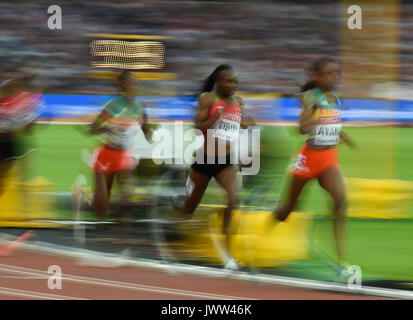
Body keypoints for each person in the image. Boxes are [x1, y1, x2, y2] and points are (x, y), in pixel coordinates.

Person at [271, 57, 358, 276]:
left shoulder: (335, 97)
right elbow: (301, 128)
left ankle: (340, 263)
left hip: (329, 158)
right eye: (329, 73)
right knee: (286, 211)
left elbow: (333, 123)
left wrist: (345, 137)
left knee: (341, 202)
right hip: (309, 159)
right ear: (317, 76)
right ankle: (265, 227)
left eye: (336, 73)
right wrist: (314, 117)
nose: (334, 77)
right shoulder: (312, 97)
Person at [172, 64, 255, 270]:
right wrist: (216, 118)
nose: (233, 85)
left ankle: (228, 255)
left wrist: (246, 122)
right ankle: (173, 207)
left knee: (233, 200)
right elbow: (197, 128)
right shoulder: (208, 99)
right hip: (204, 160)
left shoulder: (238, 101)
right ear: (218, 82)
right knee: (189, 208)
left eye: (235, 81)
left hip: (226, 162)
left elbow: (245, 125)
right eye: (229, 81)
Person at [72, 71, 152, 229]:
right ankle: (83, 198)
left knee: (127, 200)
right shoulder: (113, 106)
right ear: (123, 85)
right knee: (100, 211)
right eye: (131, 82)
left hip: (124, 156)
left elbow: (148, 134)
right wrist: (107, 128)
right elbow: (95, 128)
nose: (135, 86)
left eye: (135, 83)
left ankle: (123, 235)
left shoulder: (140, 109)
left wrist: (149, 130)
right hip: (106, 156)